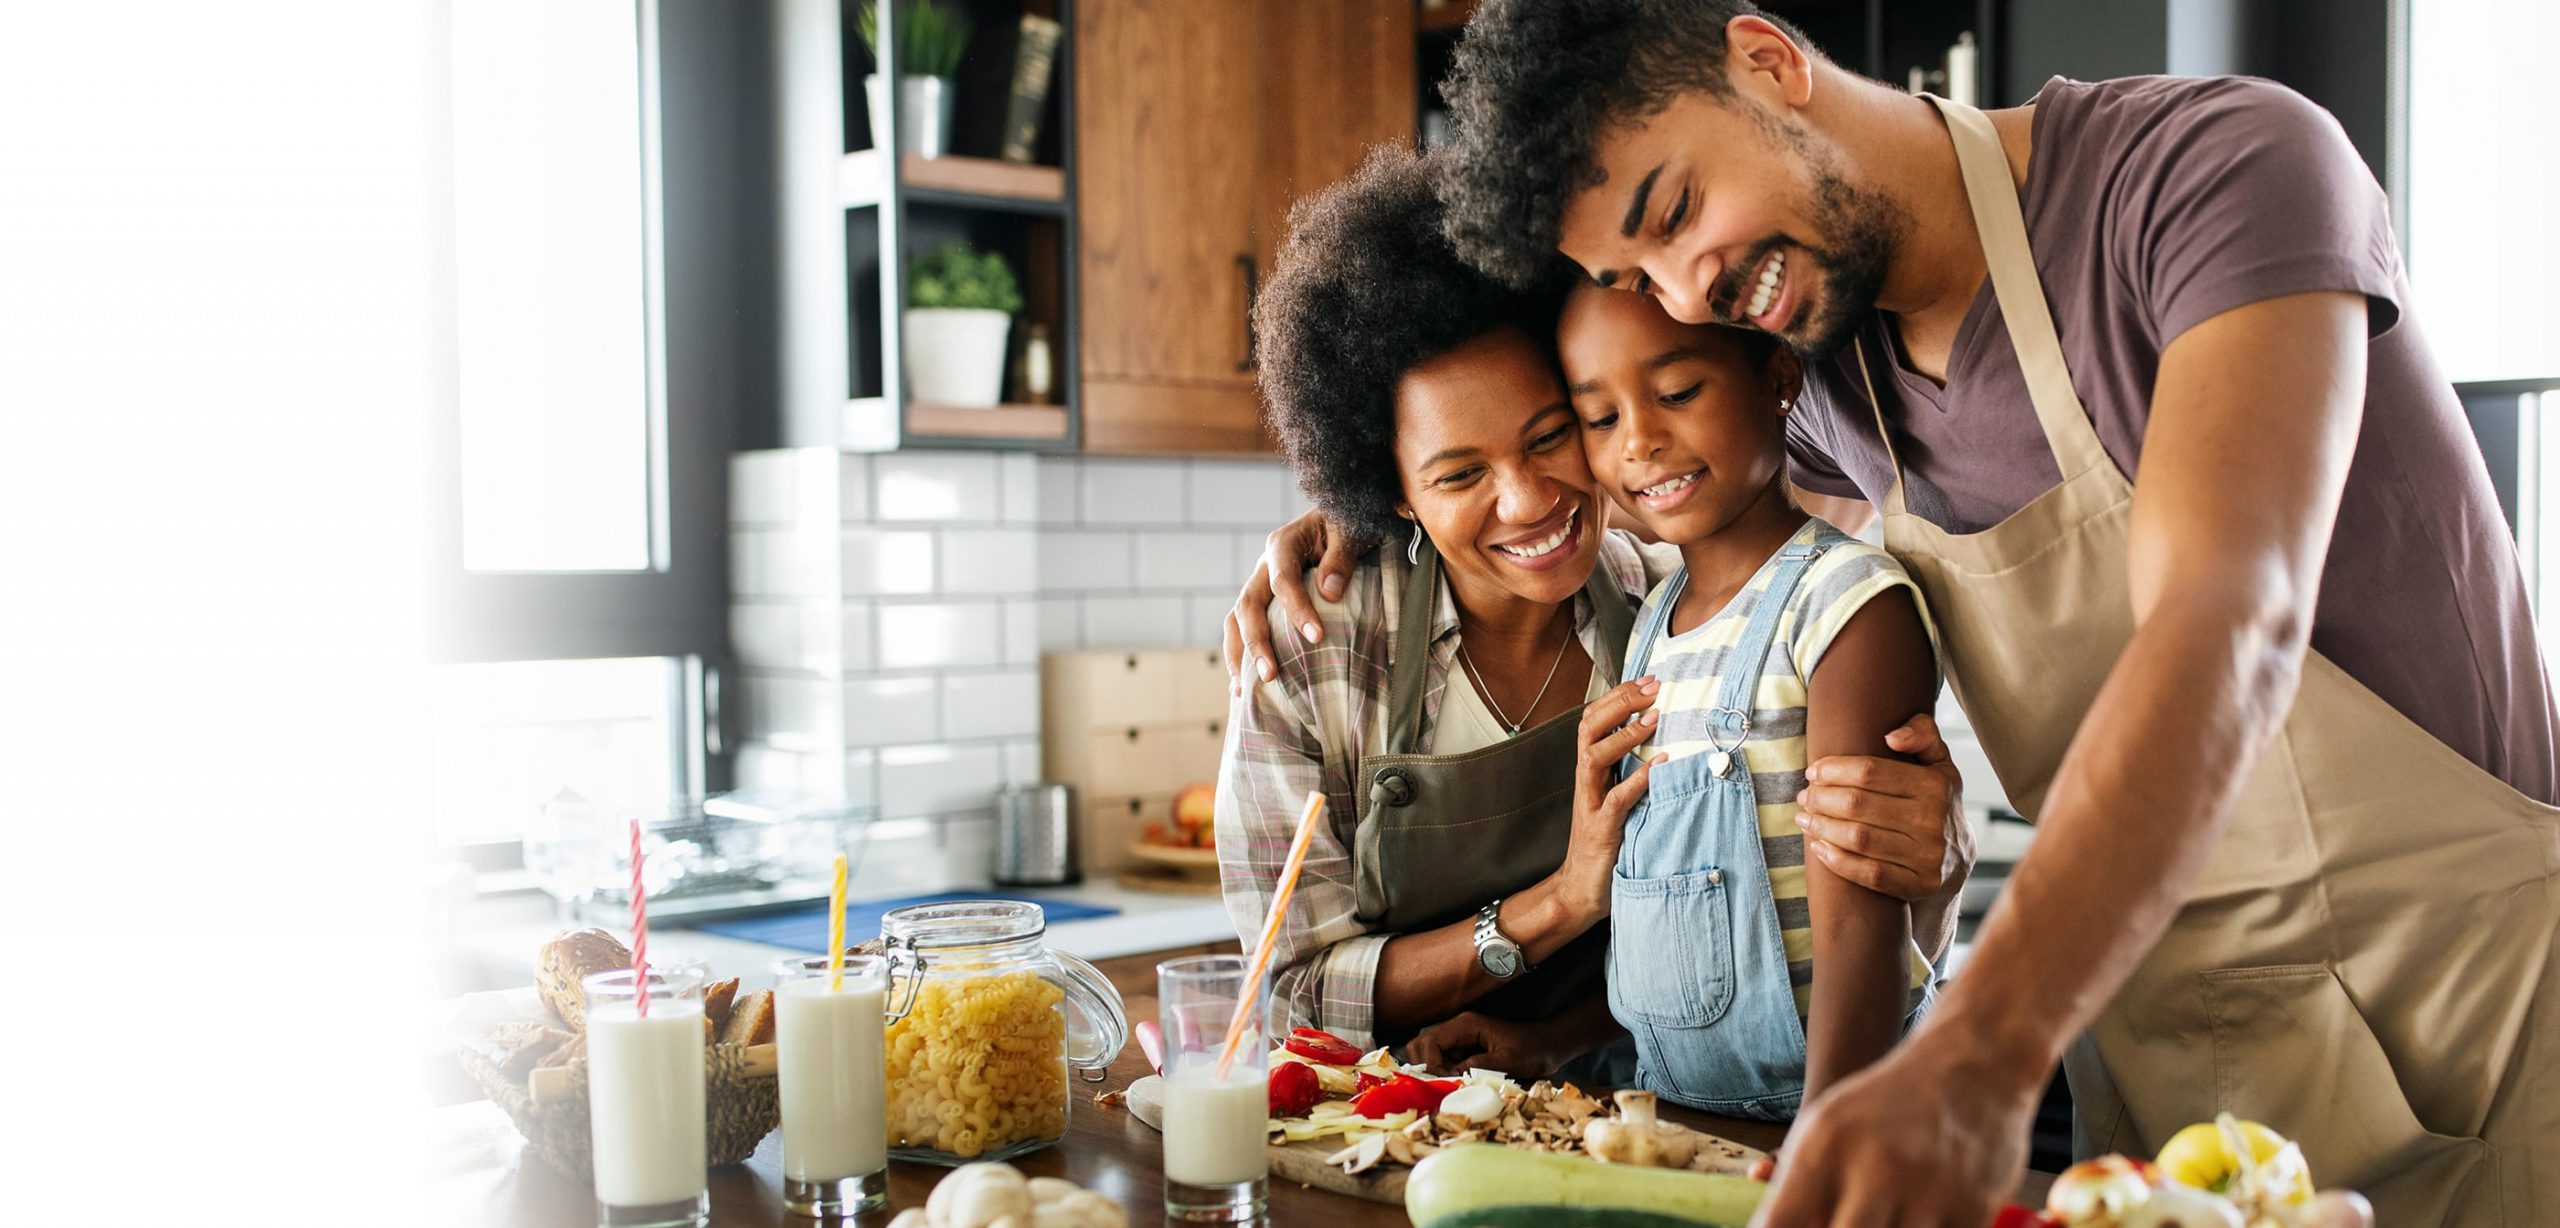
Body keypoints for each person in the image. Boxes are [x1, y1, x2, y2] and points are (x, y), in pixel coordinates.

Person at [1235, 3, 2559, 1224]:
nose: (1691, 292)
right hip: (2145, 1035)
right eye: (1643, 278)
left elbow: (2230, 618)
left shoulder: (2216, 170)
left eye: (1675, 208)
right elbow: (1582, 482)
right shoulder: (1817, 376)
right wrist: (1365, 520)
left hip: (2447, 1009)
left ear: (1767, 59)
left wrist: (1982, 1048)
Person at [1217, 147, 1971, 1081]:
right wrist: (1559, 903)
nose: (1530, 500)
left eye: (1553, 434)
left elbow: (1807, 910)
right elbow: (1287, 989)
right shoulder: (1313, 652)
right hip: (1378, 1124)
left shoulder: (1669, 597)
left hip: (1634, 1111)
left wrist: (1930, 843)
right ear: (1391, 492)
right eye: (1459, 475)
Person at [1558, 280, 1942, 1118]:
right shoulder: (1651, 623)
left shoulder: (1847, 604)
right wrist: (1537, 1040)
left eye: (1677, 393)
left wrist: (1827, 1141)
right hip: (1673, 1114)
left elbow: (1856, 924)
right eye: (1601, 418)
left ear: (1778, 378)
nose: (1641, 442)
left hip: (1841, 1116)